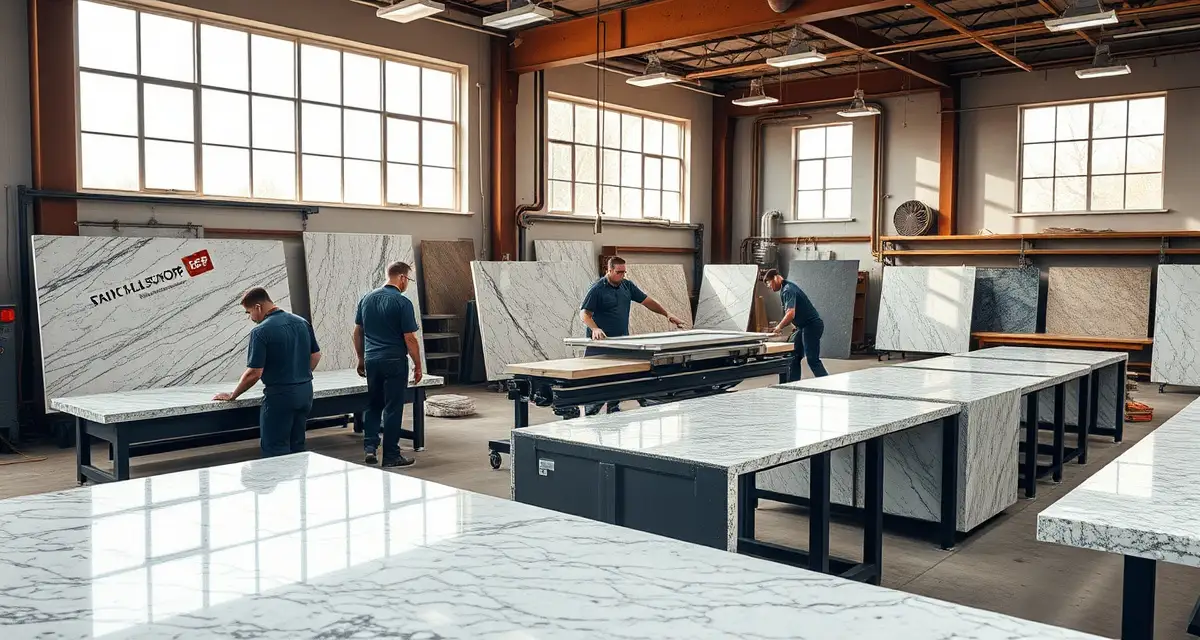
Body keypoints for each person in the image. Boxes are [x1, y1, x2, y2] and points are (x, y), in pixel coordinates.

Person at [214, 287, 321, 458]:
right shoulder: (302, 322)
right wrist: (299, 374)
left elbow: (254, 373)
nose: (251, 318)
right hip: (305, 393)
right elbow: (315, 355)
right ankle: (298, 483)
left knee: (276, 451)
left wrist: (233, 395)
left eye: (249, 312)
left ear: (258, 307)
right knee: (298, 447)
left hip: (280, 397)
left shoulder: (261, 331)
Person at [579, 256, 685, 414]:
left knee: (620, 379)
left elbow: (648, 301)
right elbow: (584, 314)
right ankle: (590, 414)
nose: (622, 275)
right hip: (601, 344)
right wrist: (595, 328)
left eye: (624, 272)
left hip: (622, 341)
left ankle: (613, 411)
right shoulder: (597, 289)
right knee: (599, 383)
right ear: (608, 270)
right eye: (618, 272)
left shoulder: (627, 286)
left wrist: (667, 314)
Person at [354, 261, 423, 468]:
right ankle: (391, 455)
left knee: (374, 404)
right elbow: (410, 338)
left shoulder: (366, 299)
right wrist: (418, 365)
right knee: (393, 408)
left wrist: (360, 358)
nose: (407, 284)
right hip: (394, 361)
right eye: (408, 280)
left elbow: (357, 331)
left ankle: (370, 448)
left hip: (372, 361)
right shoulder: (402, 303)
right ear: (401, 278)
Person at [763, 268, 829, 383]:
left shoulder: (788, 290)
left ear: (775, 278)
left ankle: (827, 384)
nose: (769, 286)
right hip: (802, 327)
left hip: (811, 326)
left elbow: (790, 313)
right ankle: (792, 384)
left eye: (769, 282)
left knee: (812, 359)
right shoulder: (786, 288)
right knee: (793, 355)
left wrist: (779, 327)